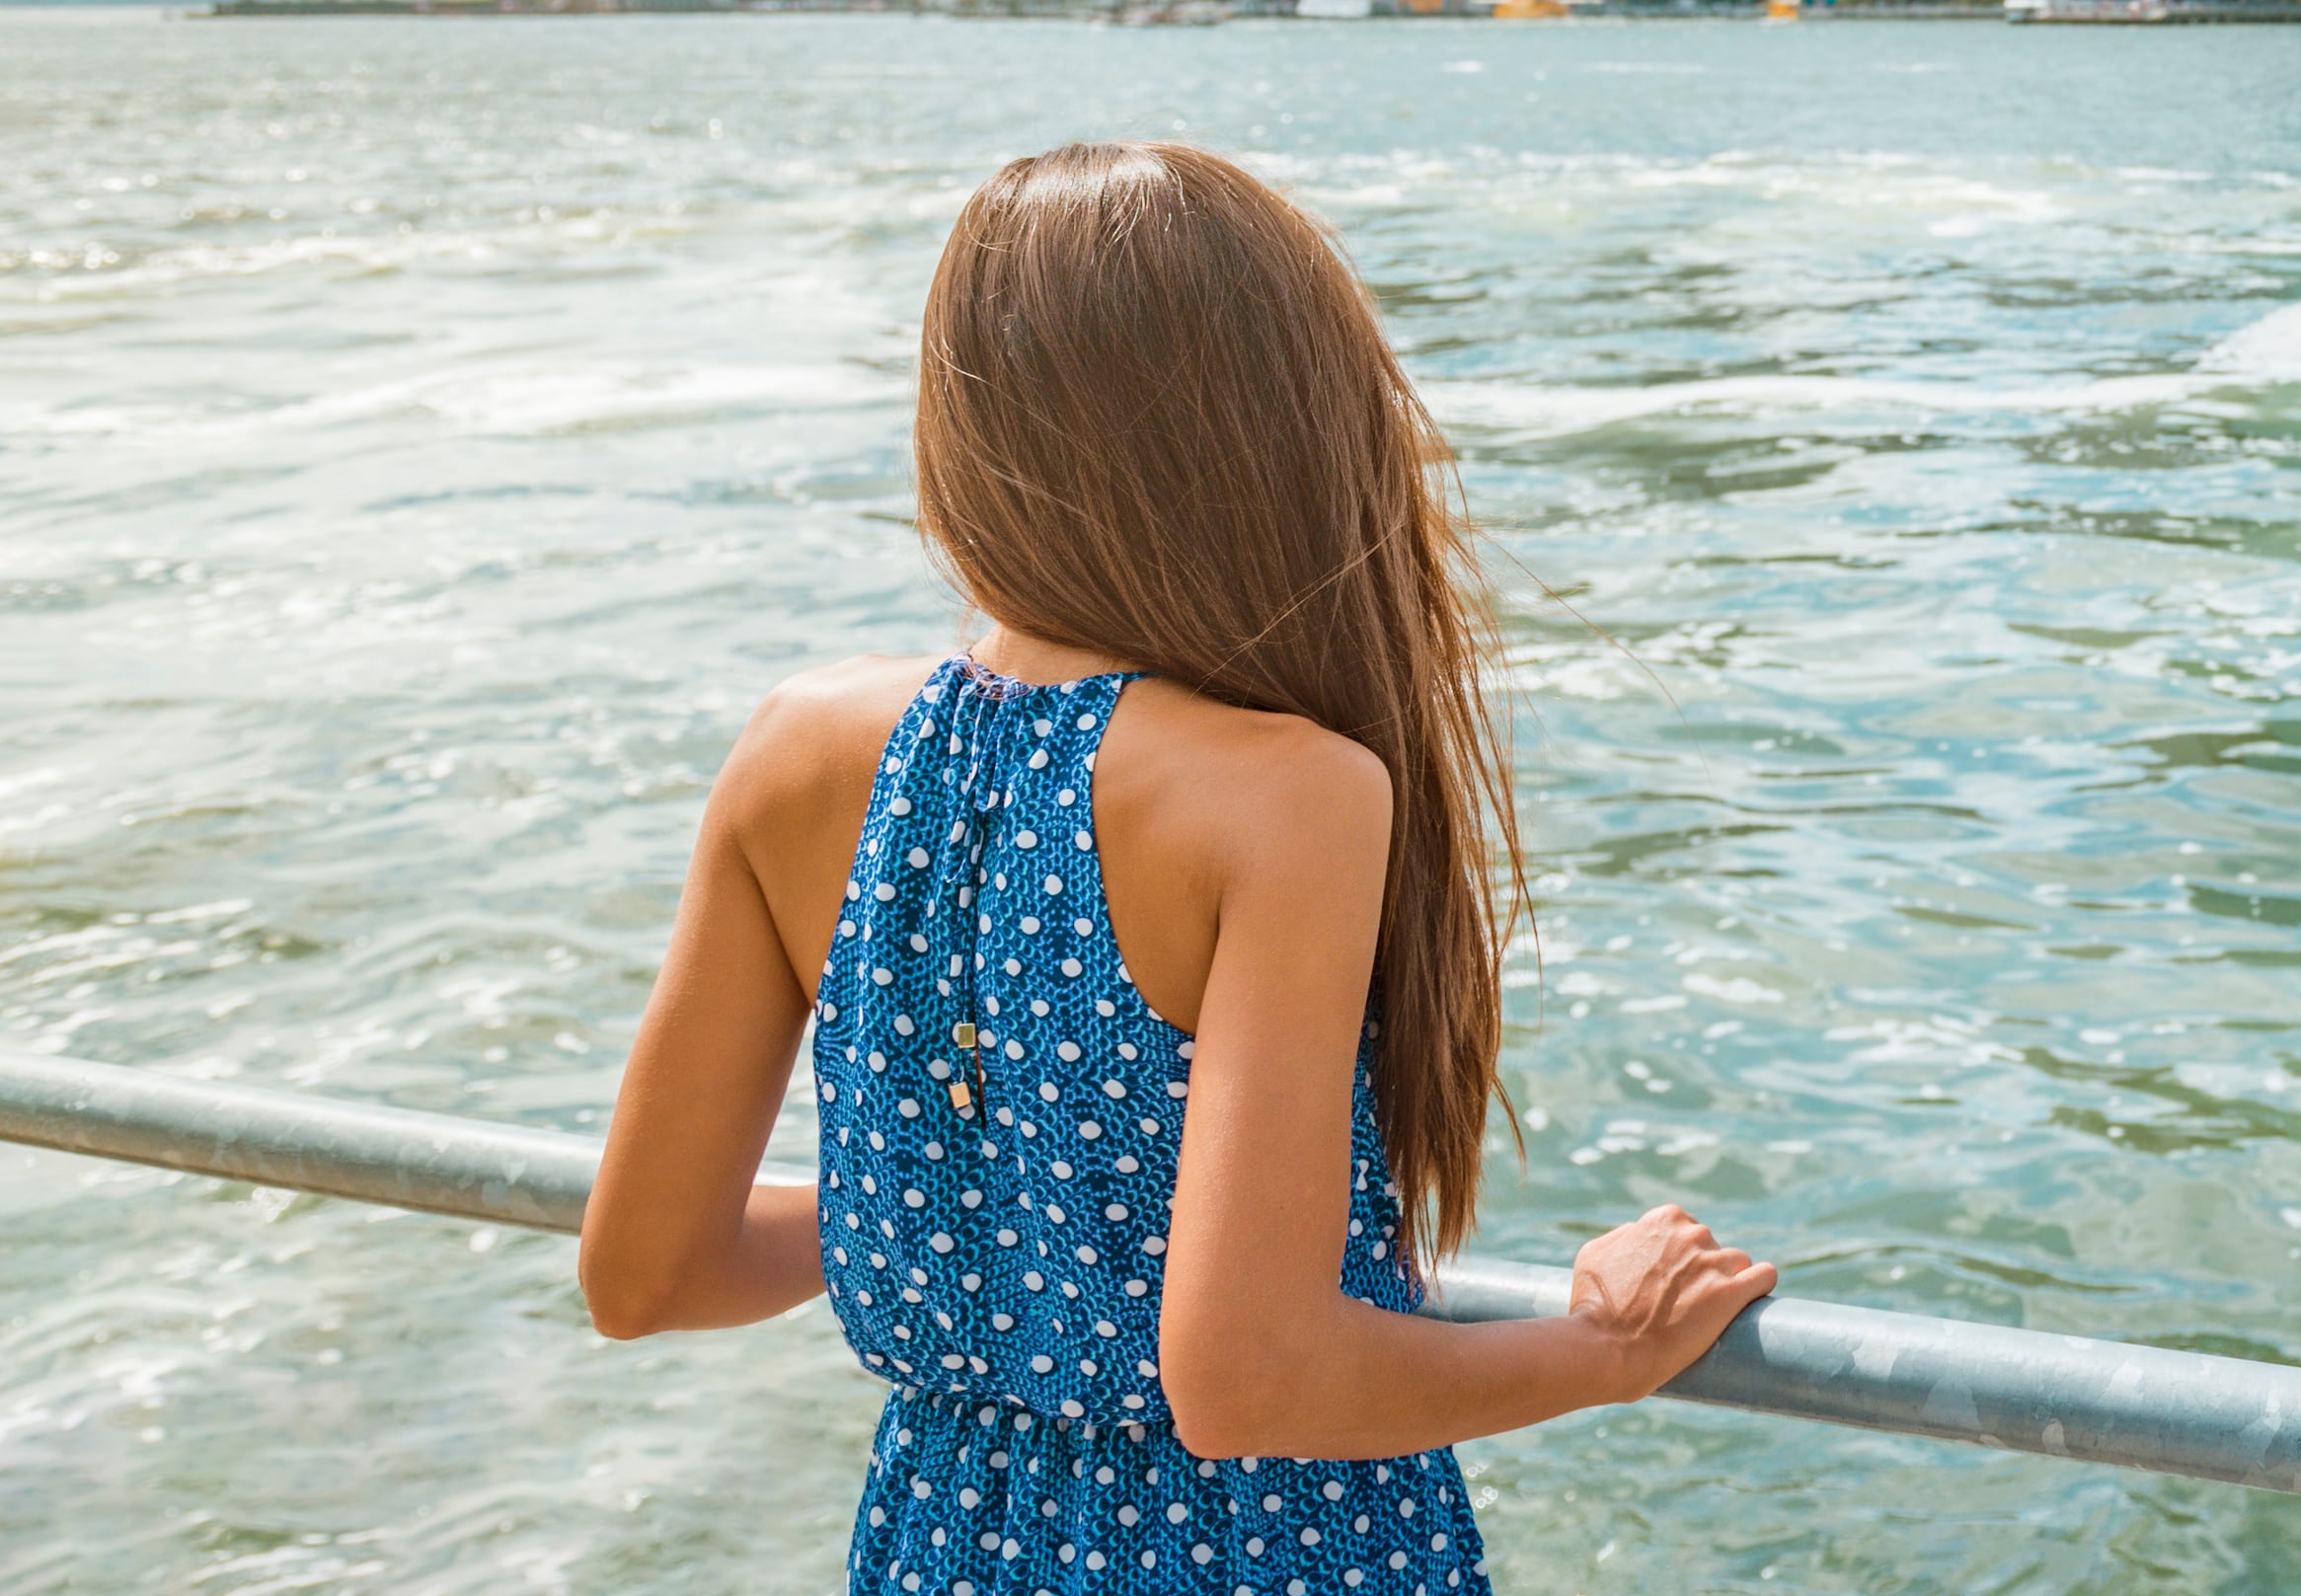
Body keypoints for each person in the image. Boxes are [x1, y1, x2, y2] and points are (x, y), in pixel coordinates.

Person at [577, 140, 1772, 1591]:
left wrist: (993, 1219)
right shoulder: (1283, 795)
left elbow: (649, 1272)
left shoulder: (797, 750)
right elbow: (1249, 1379)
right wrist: (1608, 1350)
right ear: (1277, 433)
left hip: (943, 1541)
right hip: (1261, 1553)